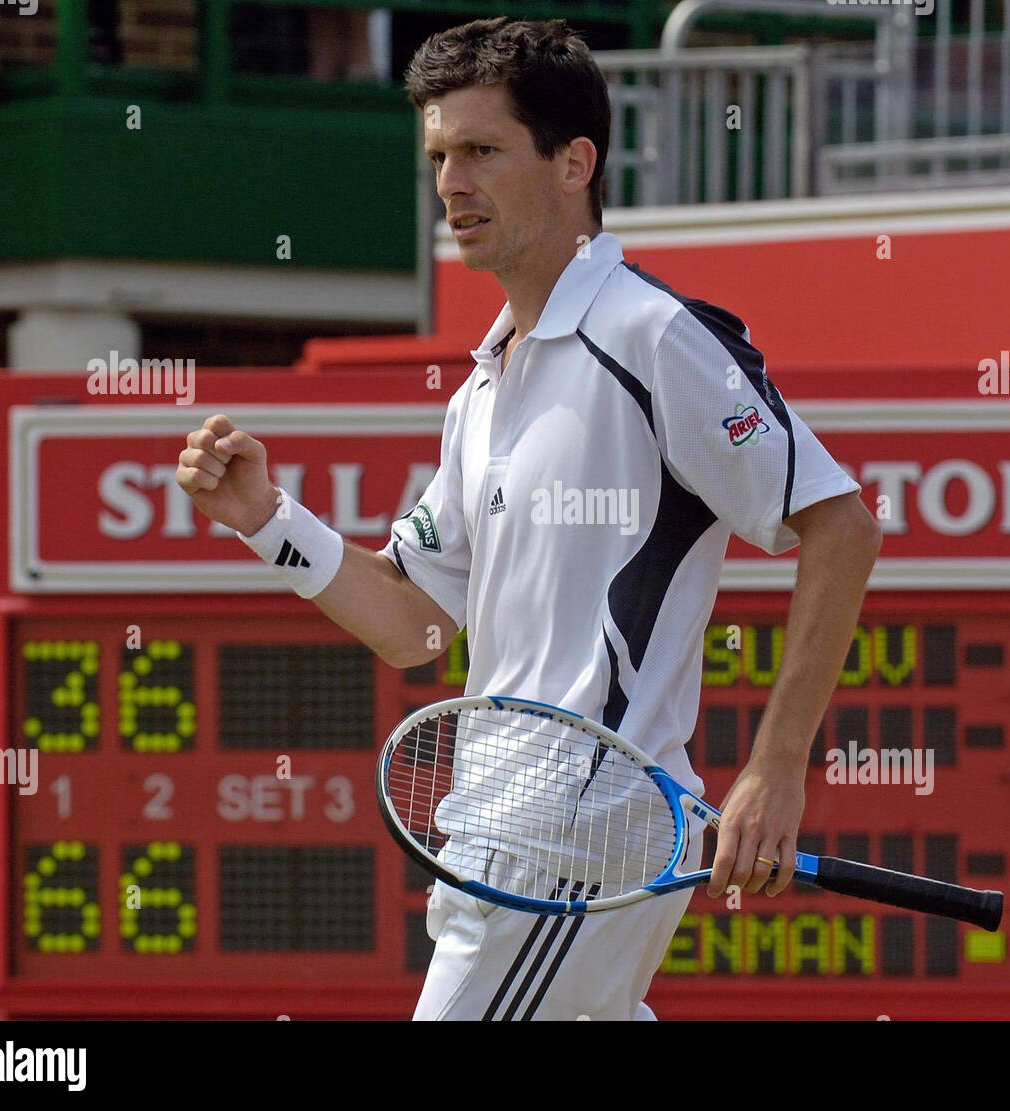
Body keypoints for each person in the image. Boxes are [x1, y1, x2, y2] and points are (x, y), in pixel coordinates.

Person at [176, 16, 881, 1021]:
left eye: (481, 151)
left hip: (575, 832)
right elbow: (413, 624)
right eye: (438, 156)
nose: (451, 183)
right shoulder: (480, 387)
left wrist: (774, 770)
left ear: (573, 163)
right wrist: (265, 519)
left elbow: (842, 525)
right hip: (504, 837)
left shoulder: (650, 333)